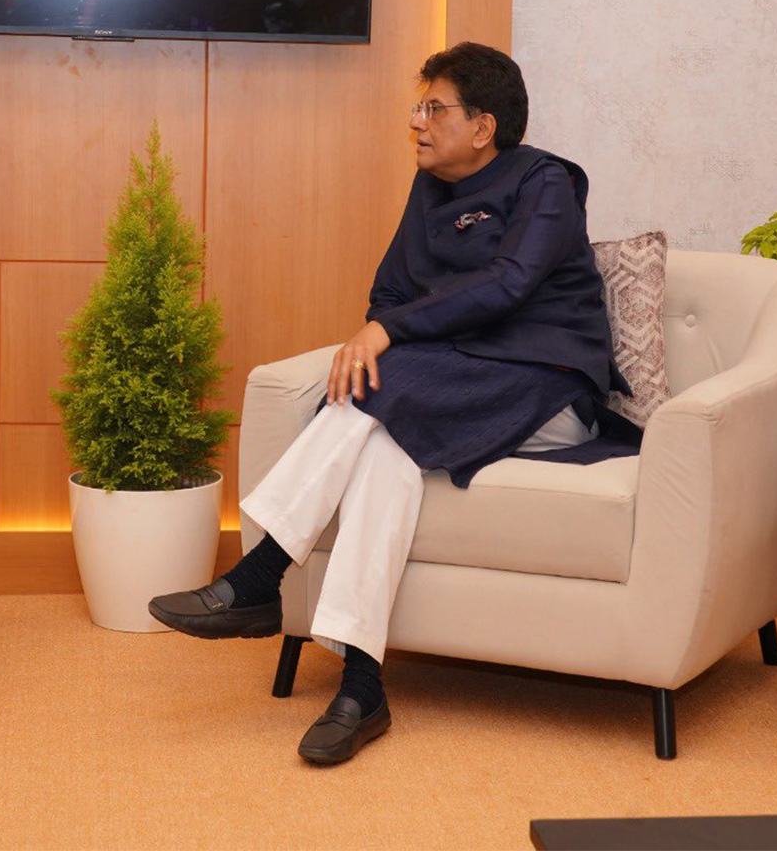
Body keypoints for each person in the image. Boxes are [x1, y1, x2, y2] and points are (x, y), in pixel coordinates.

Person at [149, 42, 641, 766]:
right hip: (456, 383)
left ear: (484, 125)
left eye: (433, 108)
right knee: (381, 445)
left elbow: (507, 287)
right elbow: (389, 290)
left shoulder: (547, 184)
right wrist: (383, 327)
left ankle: (258, 577)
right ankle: (361, 686)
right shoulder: (431, 186)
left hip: (545, 384)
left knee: (380, 386)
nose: (417, 122)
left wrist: (388, 334)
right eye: (418, 106)